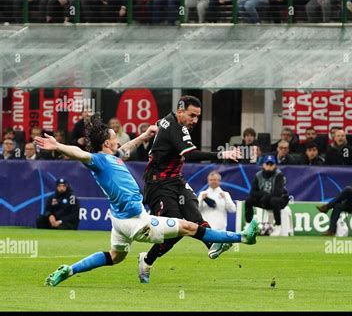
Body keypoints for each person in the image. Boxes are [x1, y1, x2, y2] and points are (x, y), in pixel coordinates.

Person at [35, 116, 258, 287]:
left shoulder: (111, 157)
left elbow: (126, 148)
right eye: (115, 137)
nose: (118, 139)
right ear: (106, 142)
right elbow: (80, 153)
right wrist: (59, 147)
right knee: (189, 227)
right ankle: (243, 237)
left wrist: (144, 137)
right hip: (136, 221)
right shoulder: (99, 161)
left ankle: (69, 270)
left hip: (120, 221)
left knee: (115, 257)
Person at [140, 95, 241, 283]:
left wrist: (156, 128)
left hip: (176, 181)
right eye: (192, 115)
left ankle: (213, 243)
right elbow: (192, 155)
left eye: (197, 116)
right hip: (158, 184)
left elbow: (160, 124)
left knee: (194, 215)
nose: (195, 120)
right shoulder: (176, 128)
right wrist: (222, 154)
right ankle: (146, 261)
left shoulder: (169, 122)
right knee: (174, 229)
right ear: (180, 111)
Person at [245, 155, 290, 235]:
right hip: (264, 200)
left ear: (275, 165)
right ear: (263, 165)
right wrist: (264, 195)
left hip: (281, 200)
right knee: (249, 200)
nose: (269, 166)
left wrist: (266, 197)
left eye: (271, 164)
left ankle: (278, 226)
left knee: (274, 200)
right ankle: (248, 224)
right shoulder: (258, 175)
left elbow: (278, 192)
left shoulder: (279, 175)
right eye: (267, 164)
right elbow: (253, 192)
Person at [198, 171, 237, 259]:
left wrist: (225, 198)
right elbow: (197, 210)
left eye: (215, 180)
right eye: (211, 180)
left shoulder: (225, 194)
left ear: (219, 181)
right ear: (208, 181)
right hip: (207, 227)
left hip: (221, 227)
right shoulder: (202, 194)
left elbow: (232, 209)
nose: (213, 181)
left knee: (220, 249)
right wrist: (201, 199)